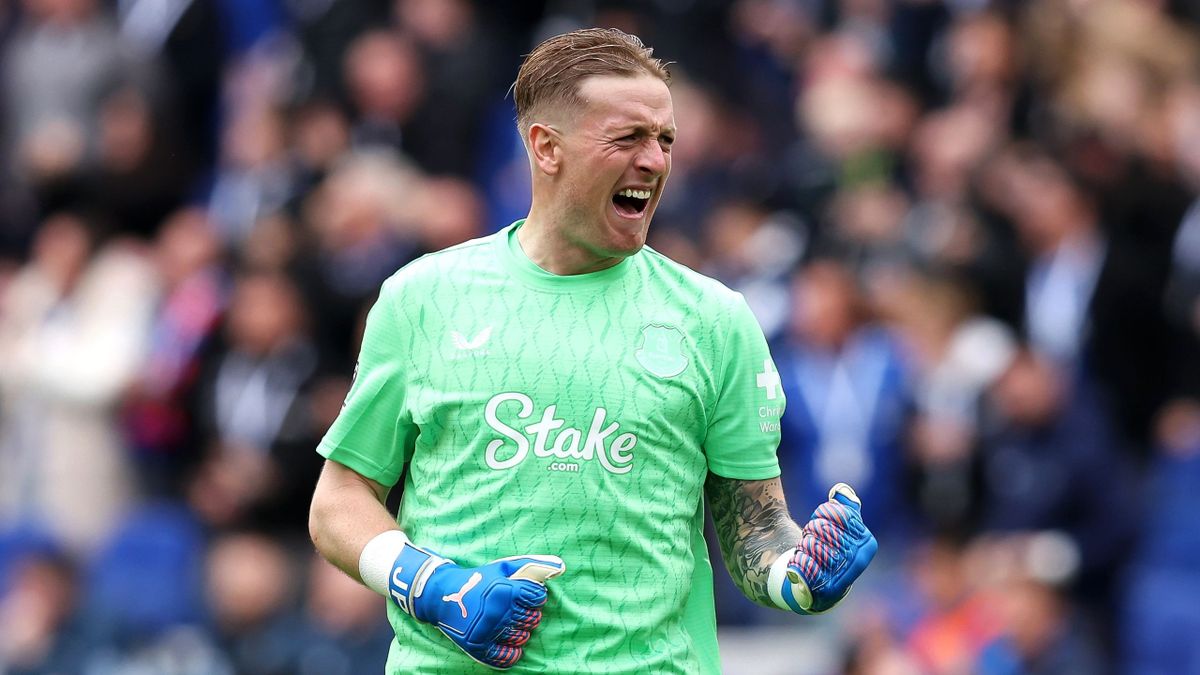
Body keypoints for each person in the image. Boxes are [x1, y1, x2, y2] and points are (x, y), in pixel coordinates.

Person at [308, 28, 877, 674]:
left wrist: (795, 573)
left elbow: (757, 529)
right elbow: (339, 500)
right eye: (628, 138)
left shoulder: (715, 321)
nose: (656, 161)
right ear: (545, 147)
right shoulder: (423, 299)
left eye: (665, 140)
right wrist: (433, 583)